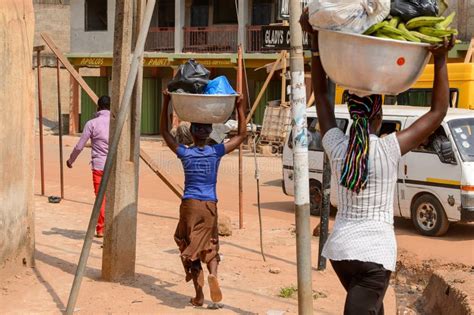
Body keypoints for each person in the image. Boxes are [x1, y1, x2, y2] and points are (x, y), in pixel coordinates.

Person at [300, 9, 455, 315]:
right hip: (374, 255)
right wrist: (439, 59)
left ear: (353, 113)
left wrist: (314, 40)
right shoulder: (389, 149)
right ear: (378, 116)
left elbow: (319, 94)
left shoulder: (337, 145)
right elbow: (438, 112)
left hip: (341, 254)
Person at [160, 90, 246, 307]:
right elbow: (241, 135)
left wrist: (166, 102)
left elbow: (164, 132)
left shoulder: (185, 153)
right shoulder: (215, 152)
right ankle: (213, 275)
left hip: (189, 205)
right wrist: (239, 107)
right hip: (209, 205)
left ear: (191, 132)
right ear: (208, 133)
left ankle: (199, 295)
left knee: (189, 246)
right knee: (211, 244)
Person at [66, 96, 111, 238]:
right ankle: (111, 227)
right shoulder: (117, 122)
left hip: (98, 166)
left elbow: (80, 146)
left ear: (98, 107)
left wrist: (70, 160)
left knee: (100, 198)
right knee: (111, 197)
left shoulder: (92, 123)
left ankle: (101, 228)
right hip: (113, 166)